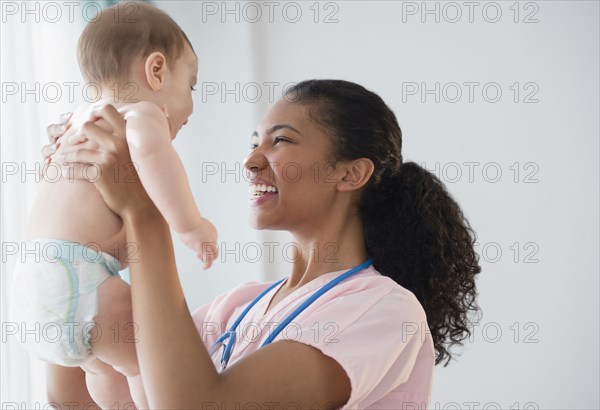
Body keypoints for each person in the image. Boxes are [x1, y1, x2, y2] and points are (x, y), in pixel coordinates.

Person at [47, 79, 482, 409]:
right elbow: (73, 397)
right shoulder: (235, 308)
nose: (251, 161)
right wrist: (71, 214)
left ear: (350, 174)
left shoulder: (384, 310)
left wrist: (144, 213)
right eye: (254, 142)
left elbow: (199, 406)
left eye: (281, 141)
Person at [10, 2, 217, 409]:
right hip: (79, 278)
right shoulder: (138, 114)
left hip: (32, 286)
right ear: (157, 70)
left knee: (101, 366)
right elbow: (154, 157)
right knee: (146, 363)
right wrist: (191, 225)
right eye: (190, 85)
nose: (191, 106)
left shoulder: (73, 125)